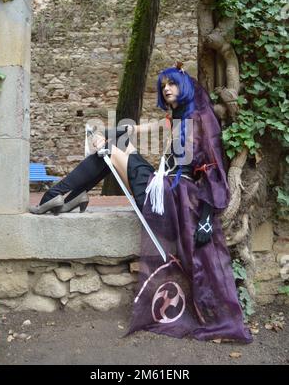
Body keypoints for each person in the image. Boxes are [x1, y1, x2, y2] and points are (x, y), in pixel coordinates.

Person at [30, 62, 252, 343]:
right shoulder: (176, 118)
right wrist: (106, 134)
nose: (167, 89)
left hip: (172, 197)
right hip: (162, 185)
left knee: (109, 151)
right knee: (112, 146)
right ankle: (65, 197)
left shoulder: (198, 121)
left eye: (171, 84)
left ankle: (59, 196)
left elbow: (212, 171)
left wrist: (207, 218)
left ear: (184, 86)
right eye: (163, 86)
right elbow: (134, 131)